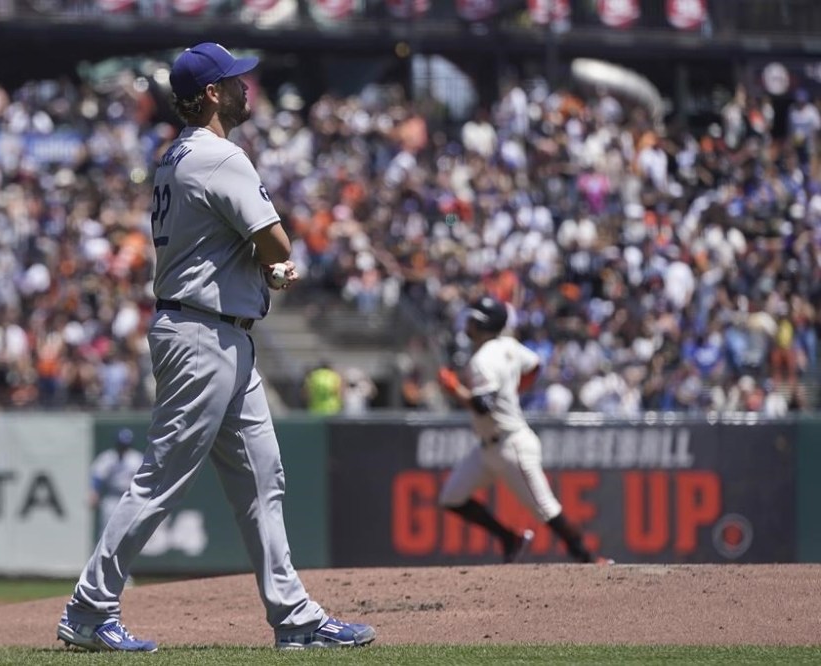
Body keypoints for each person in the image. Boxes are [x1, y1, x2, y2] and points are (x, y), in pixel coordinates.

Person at [57, 42, 376, 653]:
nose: (244, 88)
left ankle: (294, 617)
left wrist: (258, 276)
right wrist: (272, 266)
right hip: (203, 335)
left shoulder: (177, 155)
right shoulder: (220, 155)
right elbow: (278, 242)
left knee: (264, 478)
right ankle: (90, 608)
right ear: (211, 94)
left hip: (217, 328)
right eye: (233, 81)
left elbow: (219, 250)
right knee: (161, 477)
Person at [437, 297, 613, 565]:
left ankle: (589, 558)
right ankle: (510, 538)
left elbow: (483, 406)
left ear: (483, 325)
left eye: (473, 320)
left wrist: (454, 390)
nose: (468, 324)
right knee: (451, 497)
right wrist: (515, 390)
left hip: (511, 447)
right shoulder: (507, 345)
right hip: (488, 448)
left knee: (546, 508)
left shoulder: (482, 360)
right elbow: (534, 366)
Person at [88, 428, 145, 535]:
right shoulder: (108, 457)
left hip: (131, 497)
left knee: (129, 532)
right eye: (121, 445)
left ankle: (125, 552)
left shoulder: (136, 458)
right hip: (112, 497)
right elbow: (98, 476)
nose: (123, 448)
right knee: (107, 531)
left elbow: (143, 480)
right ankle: (104, 552)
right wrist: (94, 493)